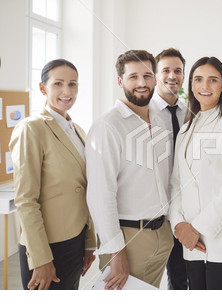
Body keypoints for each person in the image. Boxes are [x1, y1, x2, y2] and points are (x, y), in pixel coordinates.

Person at [85, 50, 173, 289]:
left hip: (162, 235)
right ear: (120, 81)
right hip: (128, 238)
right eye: (133, 76)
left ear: (155, 78)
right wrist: (116, 252)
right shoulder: (107, 126)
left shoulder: (160, 120)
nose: (142, 83)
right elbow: (100, 194)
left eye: (147, 75)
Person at [9, 59, 96, 290]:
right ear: (42, 88)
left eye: (73, 84)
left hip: (75, 240)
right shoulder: (31, 128)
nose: (67, 91)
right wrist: (41, 258)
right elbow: (26, 200)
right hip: (47, 246)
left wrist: (88, 243)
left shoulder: (77, 130)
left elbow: (85, 189)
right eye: (58, 84)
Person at [169, 57, 222, 290]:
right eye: (198, 80)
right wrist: (179, 226)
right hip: (191, 247)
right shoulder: (185, 130)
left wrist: (197, 229)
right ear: (191, 85)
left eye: (212, 80)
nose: (204, 86)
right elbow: (176, 184)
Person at [150, 47, 188, 290]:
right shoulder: (145, 113)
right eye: (166, 70)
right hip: (153, 209)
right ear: (155, 75)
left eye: (178, 71)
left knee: (181, 274)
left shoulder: (191, 112)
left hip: (184, 205)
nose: (172, 76)